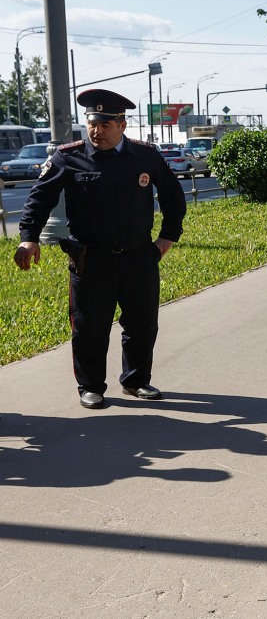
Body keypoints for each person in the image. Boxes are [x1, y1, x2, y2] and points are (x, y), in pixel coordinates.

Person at [13, 89, 187, 409]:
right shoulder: (68, 157)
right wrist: (29, 237)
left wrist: (167, 238)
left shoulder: (145, 156)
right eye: (93, 124)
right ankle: (90, 386)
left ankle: (136, 380)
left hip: (139, 257)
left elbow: (174, 197)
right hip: (91, 260)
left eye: (106, 125)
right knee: (89, 327)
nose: (97, 131)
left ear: (122, 124)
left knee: (141, 323)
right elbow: (39, 199)